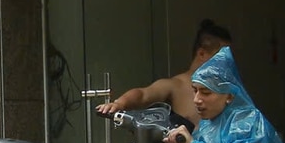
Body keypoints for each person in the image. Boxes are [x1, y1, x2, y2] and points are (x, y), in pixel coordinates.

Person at [98, 19, 235, 125]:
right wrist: (119, 104)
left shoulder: (227, 89)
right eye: (221, 56)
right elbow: (143, 94)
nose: (226, 62)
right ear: (202, 53)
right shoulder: (176, 85)